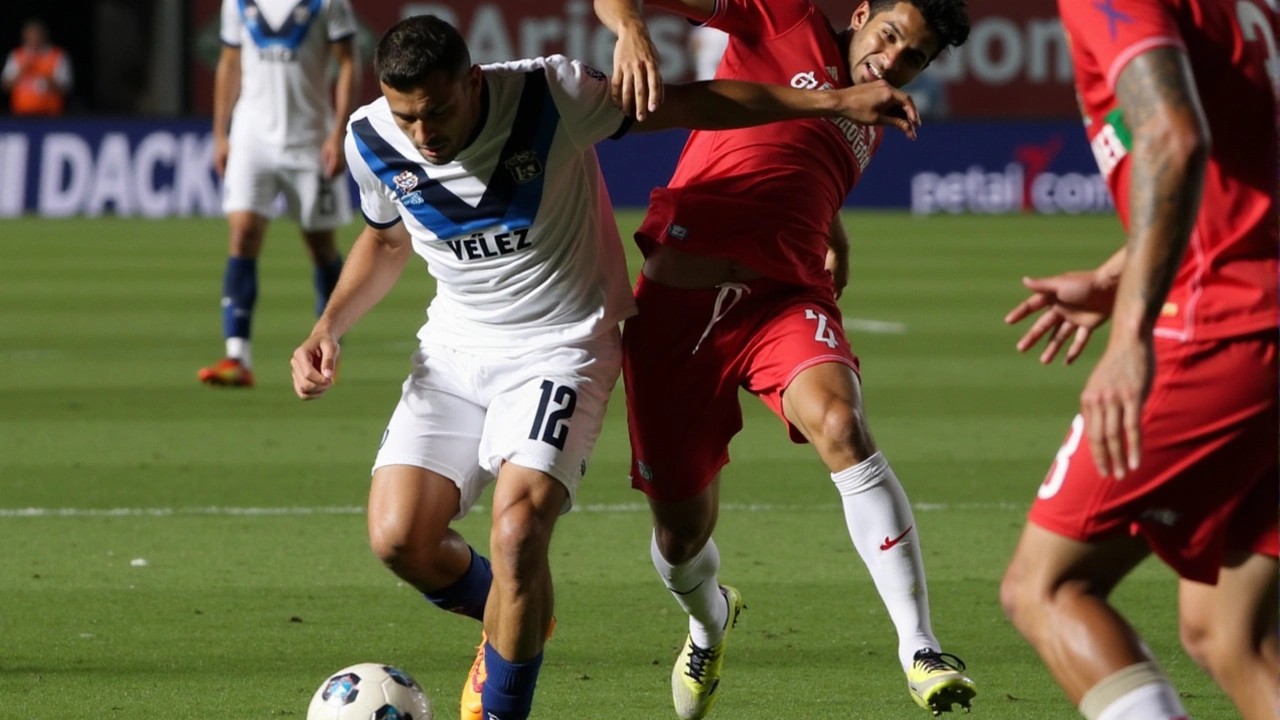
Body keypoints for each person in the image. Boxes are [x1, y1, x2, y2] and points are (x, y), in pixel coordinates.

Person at [289, 14, 925, 720]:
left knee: (518, 531)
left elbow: (699, 102)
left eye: (436, 111)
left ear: (471, 82)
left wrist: (833, 102)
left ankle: (506, 683)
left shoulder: (549, 95)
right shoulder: (370, 137)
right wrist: (328, 327)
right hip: (453, 351)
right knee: (399, 539)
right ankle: (514, 616)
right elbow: (384, 243)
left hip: (561, 347)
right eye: (408, 116)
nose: (423, 133)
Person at [593, 0, 974, 716]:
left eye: (913, 57)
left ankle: (920, 647)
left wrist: (835, 227)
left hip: (784, 299)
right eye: (889, 36)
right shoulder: (780, 19)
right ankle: (709, 621)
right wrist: (632, 31)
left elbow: (792, 151)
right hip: (679, 309)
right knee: (679, 536)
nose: (891, 61)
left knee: (841, 424)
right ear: (860, 13)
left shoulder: (877, 110)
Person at [998, 0, 1279, 719]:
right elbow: (1242, 168)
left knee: (1047, 587)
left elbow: (1172, 137)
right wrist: (1122, 273)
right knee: (1229, 630)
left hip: (1233, 324)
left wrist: (1130, 336)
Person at [200, 0, 359, 387]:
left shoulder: (330, 3)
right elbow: (230, 63)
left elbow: (350, 63)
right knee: (242, 235)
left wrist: (339, 133)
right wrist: (221, 133)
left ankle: (327, 348)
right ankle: (237, 357)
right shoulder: (236, 3)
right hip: (252, 137)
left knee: (321, 247)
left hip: (310, 139)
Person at [2, 19, 72, 116]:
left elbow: (66, 87)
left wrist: (48, 81)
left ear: (44, 35)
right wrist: (21, 72)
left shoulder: (57, 55)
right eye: (31, 34)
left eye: (37, 34)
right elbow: (5, 86)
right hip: (20, 114)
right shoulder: (16, 55)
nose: (34, 37)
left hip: (51, 115)